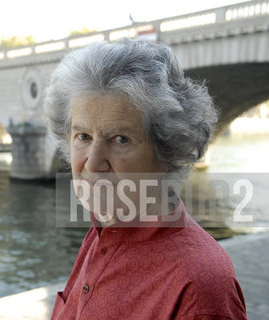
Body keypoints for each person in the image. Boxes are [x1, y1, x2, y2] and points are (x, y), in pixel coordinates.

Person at [44, 39, 247, 319]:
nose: (92, 162)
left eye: (120, 139)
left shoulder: (199, 287)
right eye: (83, 137)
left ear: (168, 150)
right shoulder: (103, 228)